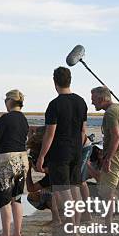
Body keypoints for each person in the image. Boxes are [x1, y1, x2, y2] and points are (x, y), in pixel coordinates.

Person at [35, 67, 88, 226]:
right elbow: (83, 131)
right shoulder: (81, 101)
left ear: (55, 82)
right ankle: (76, 225)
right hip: (76, 150)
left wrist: (42, 156)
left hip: (59, 153)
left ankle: (71, 226)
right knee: (75, 189)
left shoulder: (54, 105)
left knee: (63, 190)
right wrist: (78, 148)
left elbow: (50, 134)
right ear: (69, 80)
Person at [0, 89, 29, 236]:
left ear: (10, 101)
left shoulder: (6, 118)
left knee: (4, 199)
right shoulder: (24, 119)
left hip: (6, 160)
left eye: (5, 100)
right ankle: (17, 233)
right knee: (16, 198)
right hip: (22, 159)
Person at [91, 86, 119, 222]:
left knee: (107, 192)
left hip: (117, 155)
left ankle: (108, 225)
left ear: (102, 98)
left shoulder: (110, 112)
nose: (92, 102)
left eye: (93, 99)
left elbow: (116, 137)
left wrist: (108, 158)